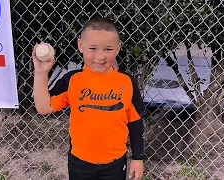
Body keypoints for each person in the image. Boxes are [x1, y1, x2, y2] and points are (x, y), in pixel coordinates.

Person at [32, 16, 145, 180]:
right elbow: (44, 107)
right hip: (80, 162)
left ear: (118, 47)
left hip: (115, 162)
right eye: (93, 48)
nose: (100, 57)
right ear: (81, 45)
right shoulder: (72, 80)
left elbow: (135, 122)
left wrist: (138, 157)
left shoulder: (126, 82)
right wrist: (41, 72)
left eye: (108, 49)